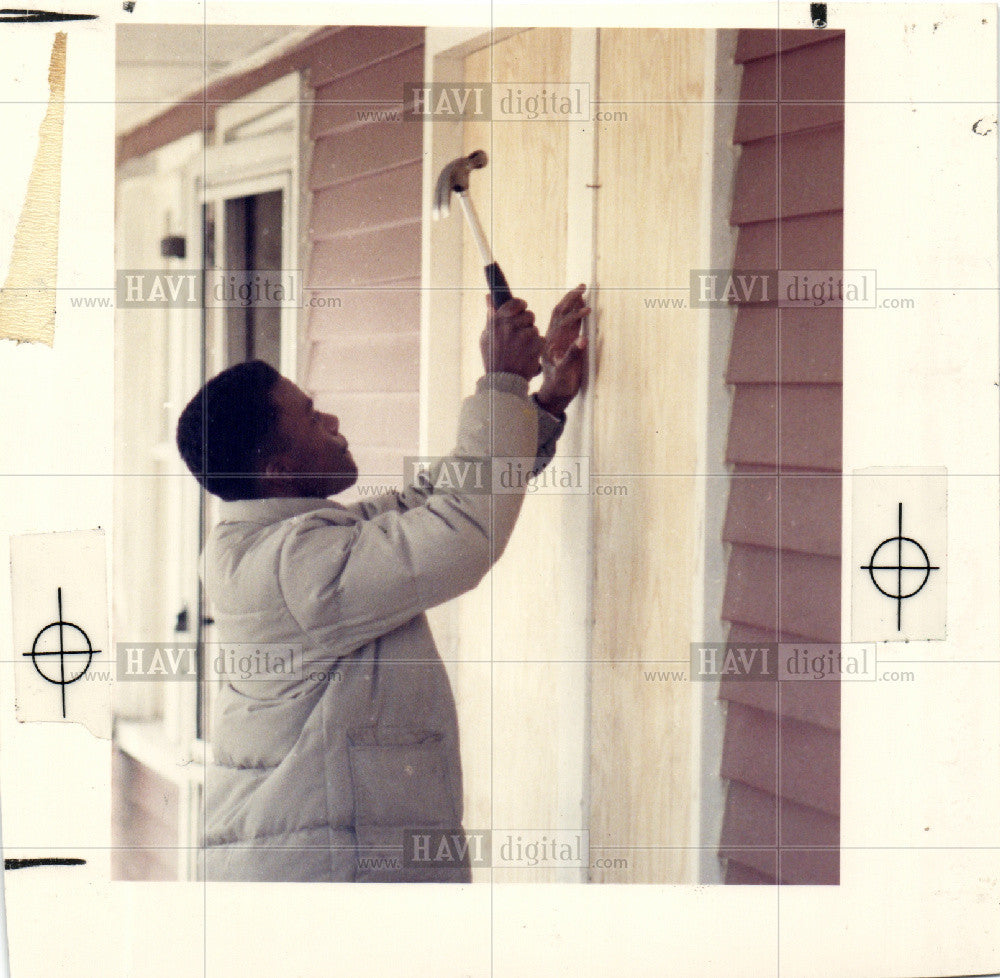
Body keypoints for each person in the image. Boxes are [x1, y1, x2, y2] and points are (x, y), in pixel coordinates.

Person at [175, 287, 589, 881]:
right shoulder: (296, 564)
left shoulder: (274, 541)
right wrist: (498, 382)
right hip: (323, 887)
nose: (334, 422)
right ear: (278, 470)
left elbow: (428, 503)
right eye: (311, 417)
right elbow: (462, 528)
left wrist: (540, 405)